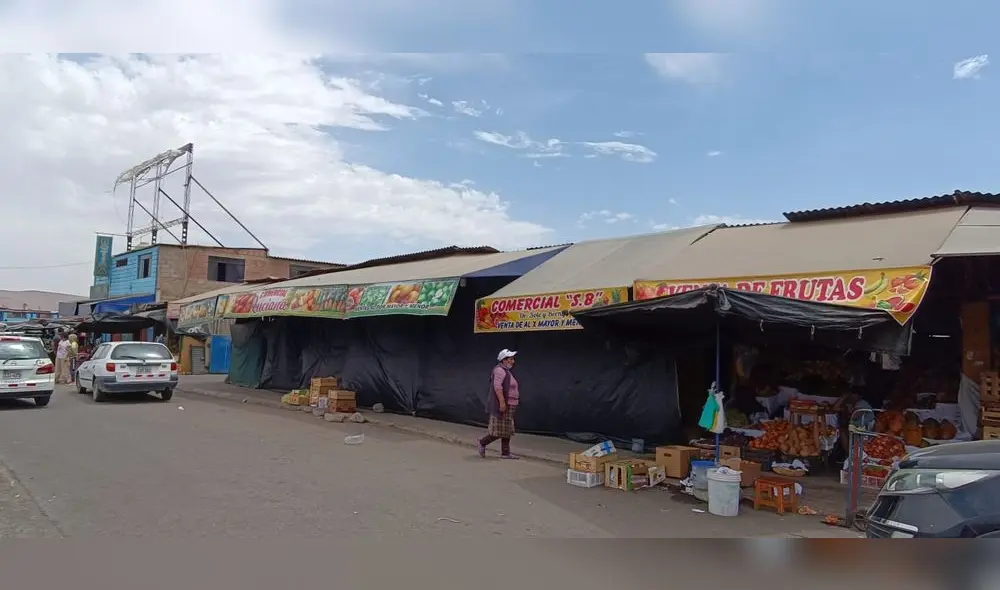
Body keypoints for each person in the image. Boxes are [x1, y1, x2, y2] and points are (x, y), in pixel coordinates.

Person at [478, 349, 521, 459]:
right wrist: (502, 403)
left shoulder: (506, 371)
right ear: (504, 360)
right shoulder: (499, 371)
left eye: (513, 359)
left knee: (507, 429)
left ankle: (505, 452)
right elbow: (497, 388)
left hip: (511, 404)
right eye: (510, 359)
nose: (513, 361)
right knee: (499, 430)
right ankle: (483, 442)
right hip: (506, 404)